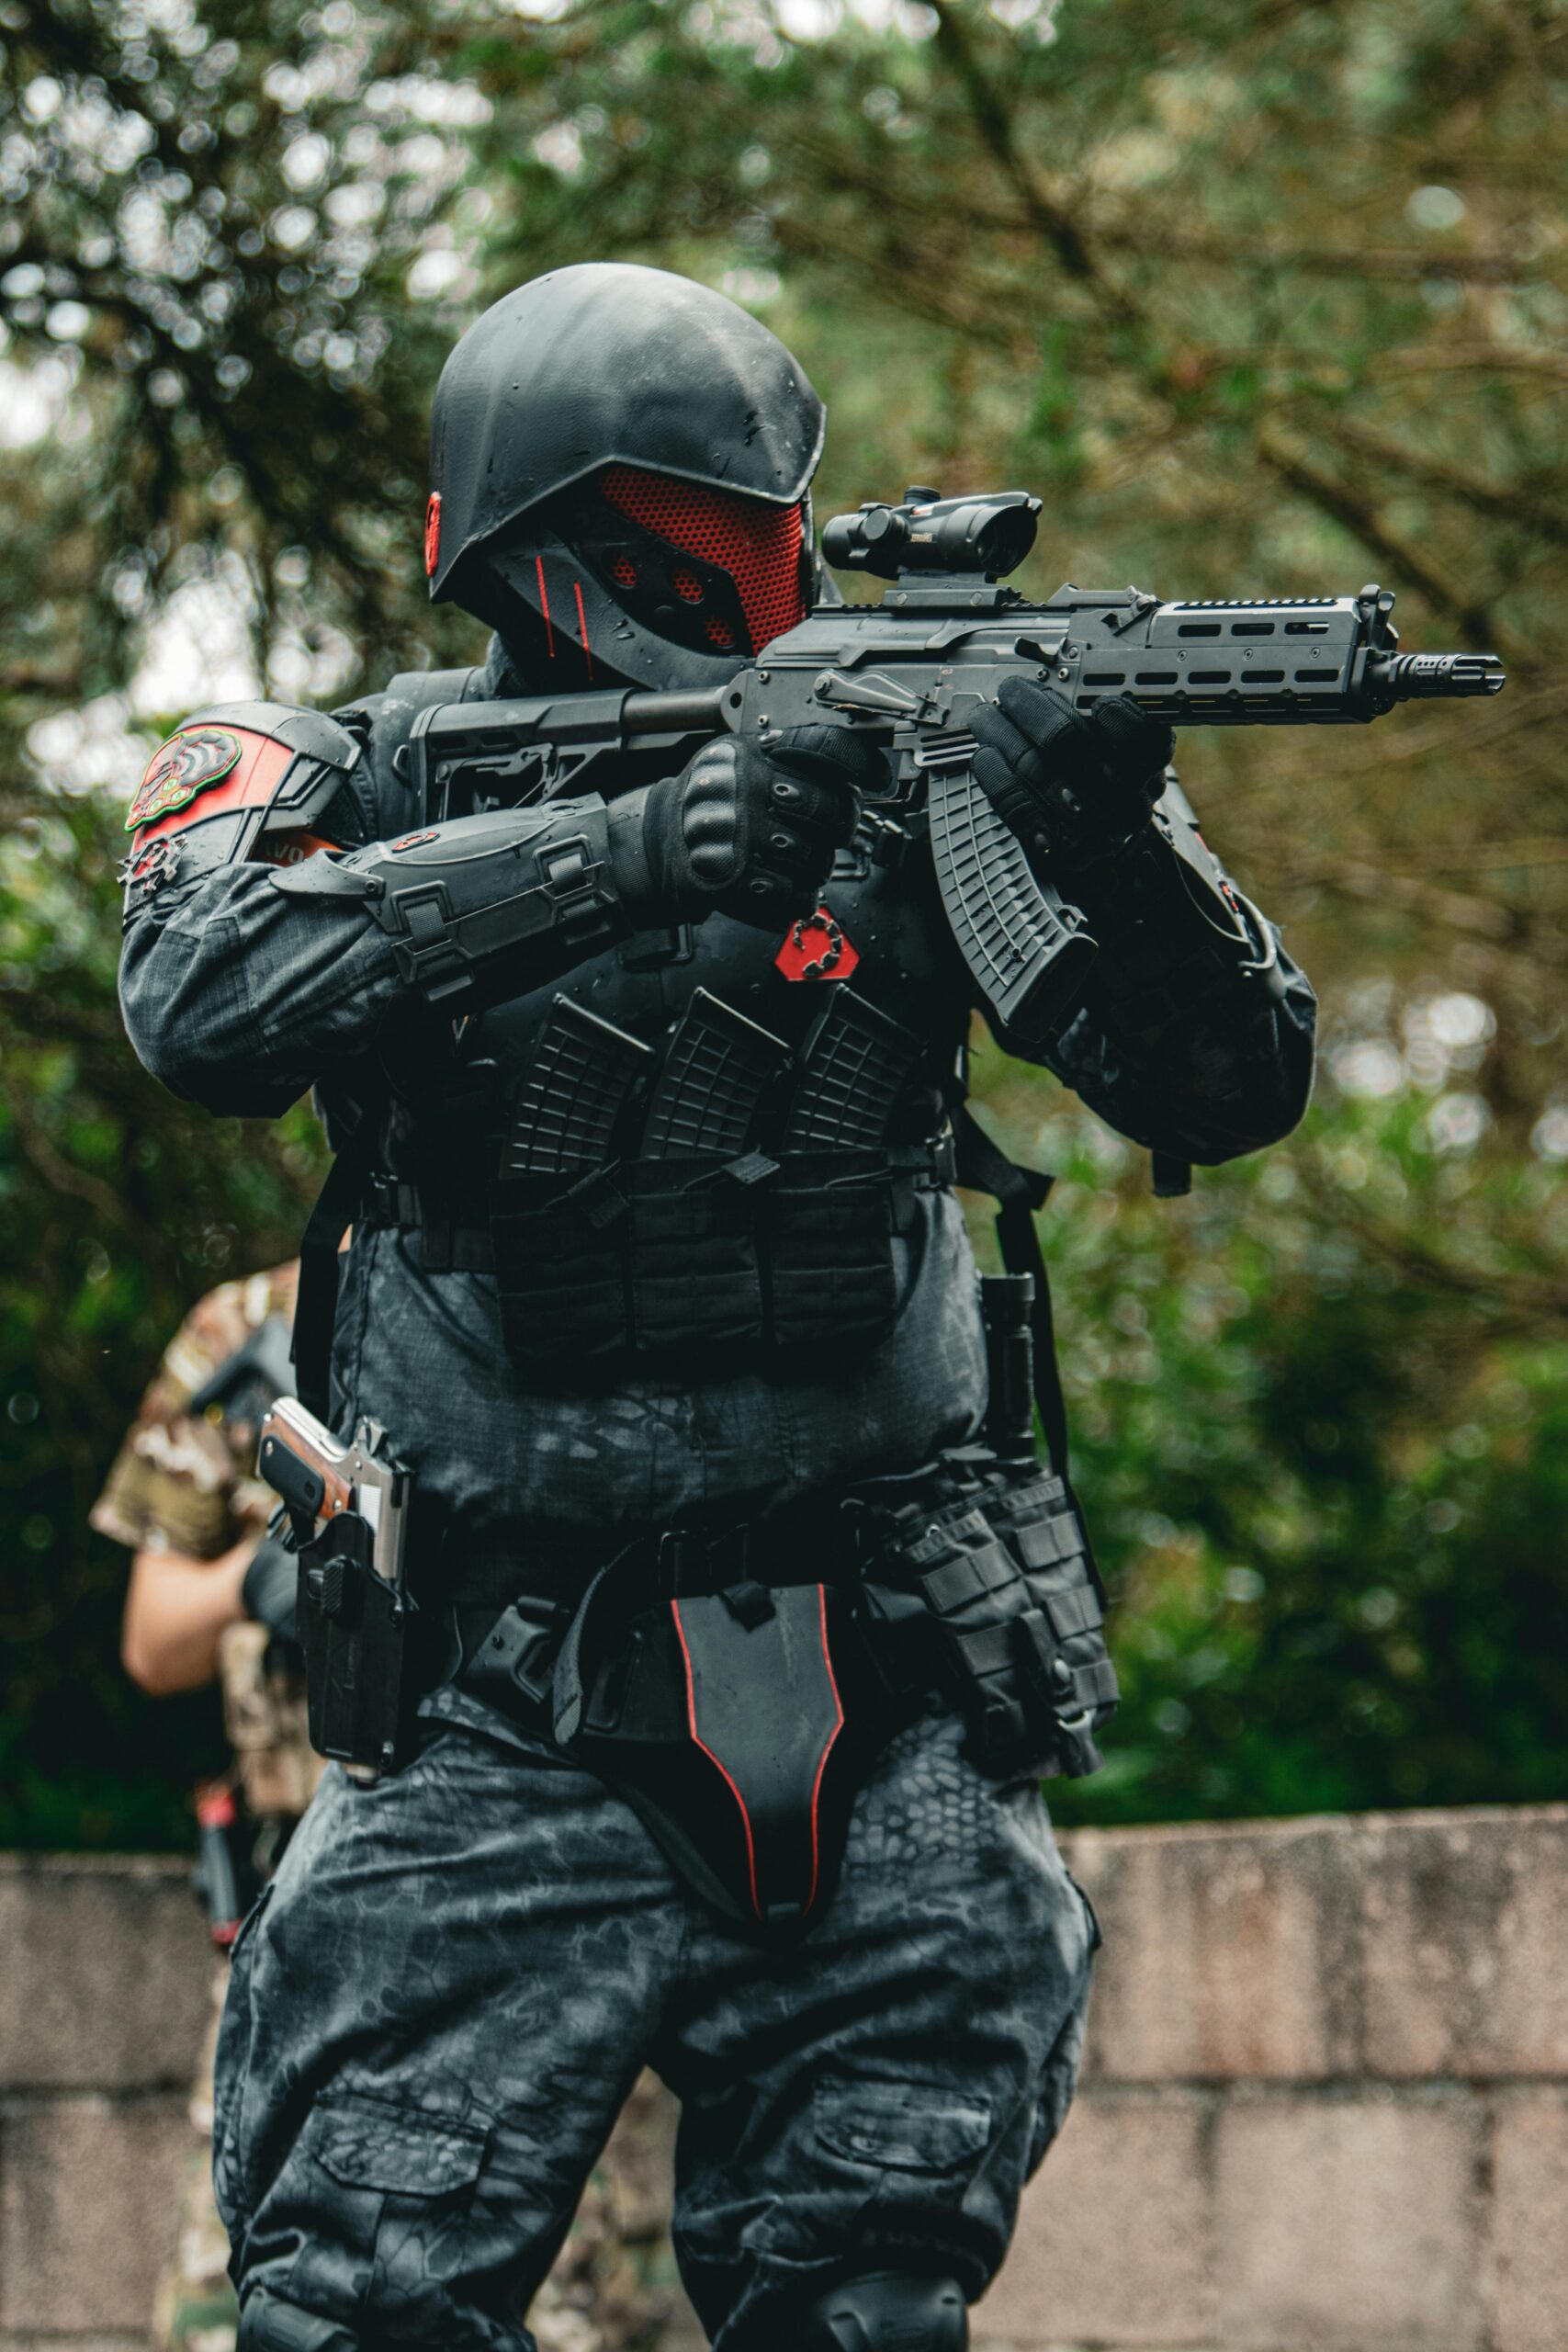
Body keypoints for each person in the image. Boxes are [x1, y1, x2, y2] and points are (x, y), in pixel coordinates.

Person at [117, 263, 1315, 2352]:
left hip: (892, 1678)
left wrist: (1113, 831)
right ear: (538, 544)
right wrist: (630, 847)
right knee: (361, 2307)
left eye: (772, 533)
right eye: (699, 539)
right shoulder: (338, 765)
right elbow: (197, 992)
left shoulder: (953, 751)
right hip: (497, 1695)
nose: (764, 579)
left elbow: (1228, 1086)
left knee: (869, 2304)